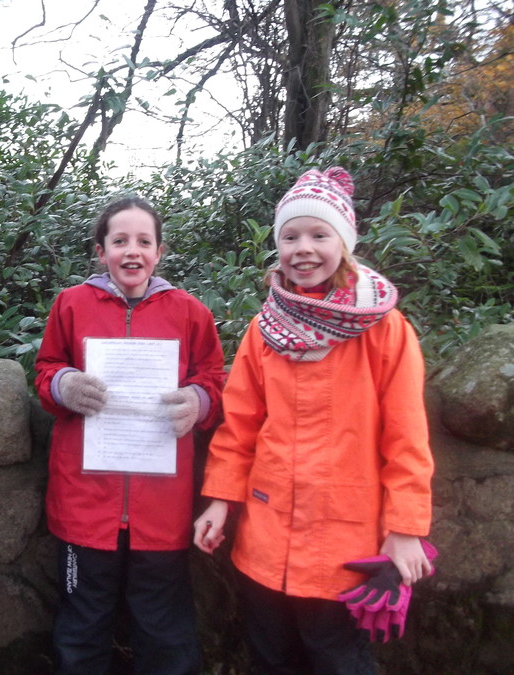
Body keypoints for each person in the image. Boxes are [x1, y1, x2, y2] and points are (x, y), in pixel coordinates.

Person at [193, 167, 435, 674]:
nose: (304, 247)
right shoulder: (264, 330)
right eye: (290, 235)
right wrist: (220, 500)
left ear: (344, 243)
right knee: (270, 658)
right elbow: (238, 426)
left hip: (344, 550)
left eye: (319, 234)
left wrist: (406, 528)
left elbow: (407, 437)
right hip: (264, 540)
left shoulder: (385, 330)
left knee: (338, 660)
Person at [35, 196, 227, 674]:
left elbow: (215, 380)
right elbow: (45, 370)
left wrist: (198, 401)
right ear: (101, 251)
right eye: (120, 241)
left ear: (160, 251)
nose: (132, 251)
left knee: (165, 631)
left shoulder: (189, 312)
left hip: (160, 507)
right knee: (81, 628)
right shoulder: (71, 304)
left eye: (144, 241)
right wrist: (63, 384)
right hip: (85, 503)